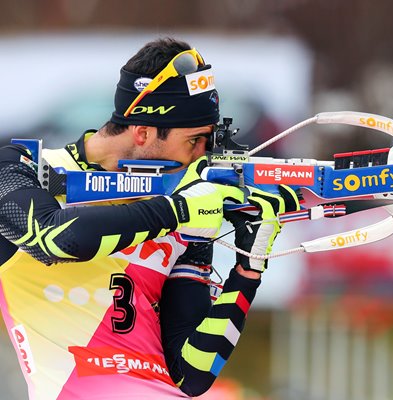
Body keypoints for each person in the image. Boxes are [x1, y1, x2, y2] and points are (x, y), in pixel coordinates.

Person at [0, 37, 299, 399]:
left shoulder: (185, 201)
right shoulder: (22, 168)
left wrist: (248, 267)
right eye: (194, 141)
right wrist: (180, 210)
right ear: (142, 133)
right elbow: (55, 240)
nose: (199, 158)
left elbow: (191, 374)